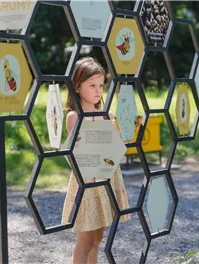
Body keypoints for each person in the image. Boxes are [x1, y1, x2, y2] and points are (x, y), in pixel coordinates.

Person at [61, 57, 131, 264]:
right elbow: (81, 150)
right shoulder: (74, 116)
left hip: (107, 178)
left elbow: (116, 149)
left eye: (101, 85)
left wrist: (125, 132)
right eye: (92, 85)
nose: (98, 90)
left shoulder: (107, 114)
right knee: (85, 239)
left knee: (98, 238)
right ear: (77, 86)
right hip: (89, 182)